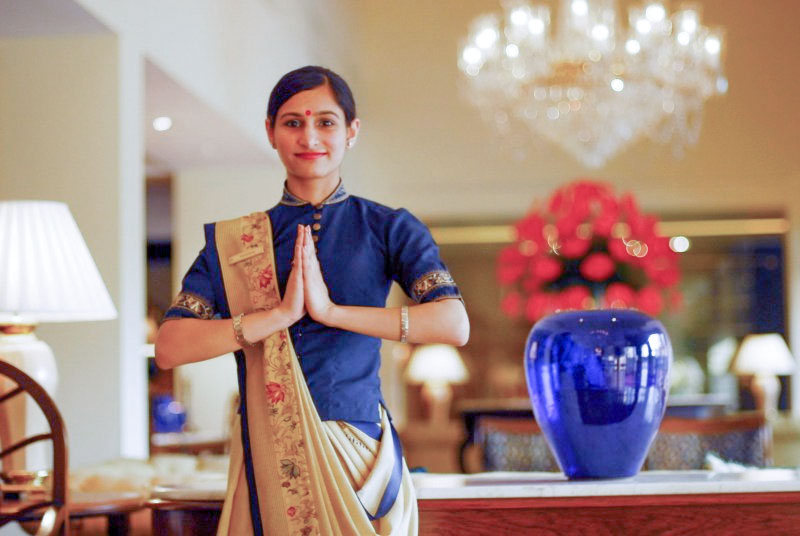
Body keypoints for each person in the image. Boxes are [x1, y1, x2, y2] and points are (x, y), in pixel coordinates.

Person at [155, 65, 469, 535]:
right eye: (292, 122)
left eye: (326, 122)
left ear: (351, 131)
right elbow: (170, 347)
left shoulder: (388, 228)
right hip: (268, 450)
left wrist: (332, 313)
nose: (309, 137)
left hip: (358, 451)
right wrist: (277, 316)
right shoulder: (236, 241)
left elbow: (452, 323)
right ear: (270, 131)